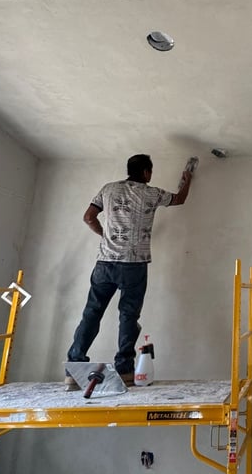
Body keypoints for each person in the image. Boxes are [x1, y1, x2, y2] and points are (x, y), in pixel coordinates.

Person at [65, 154, 193, 390]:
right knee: (128, 316)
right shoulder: (151, 193)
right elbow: (180, 199)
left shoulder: (108, 189)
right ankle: (124, 369)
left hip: (105, 263)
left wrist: (104, 235)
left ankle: (74, 367)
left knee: (92, 313)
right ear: (146, 172)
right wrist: (188, 179)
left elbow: (88, 217)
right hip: (134, 265)